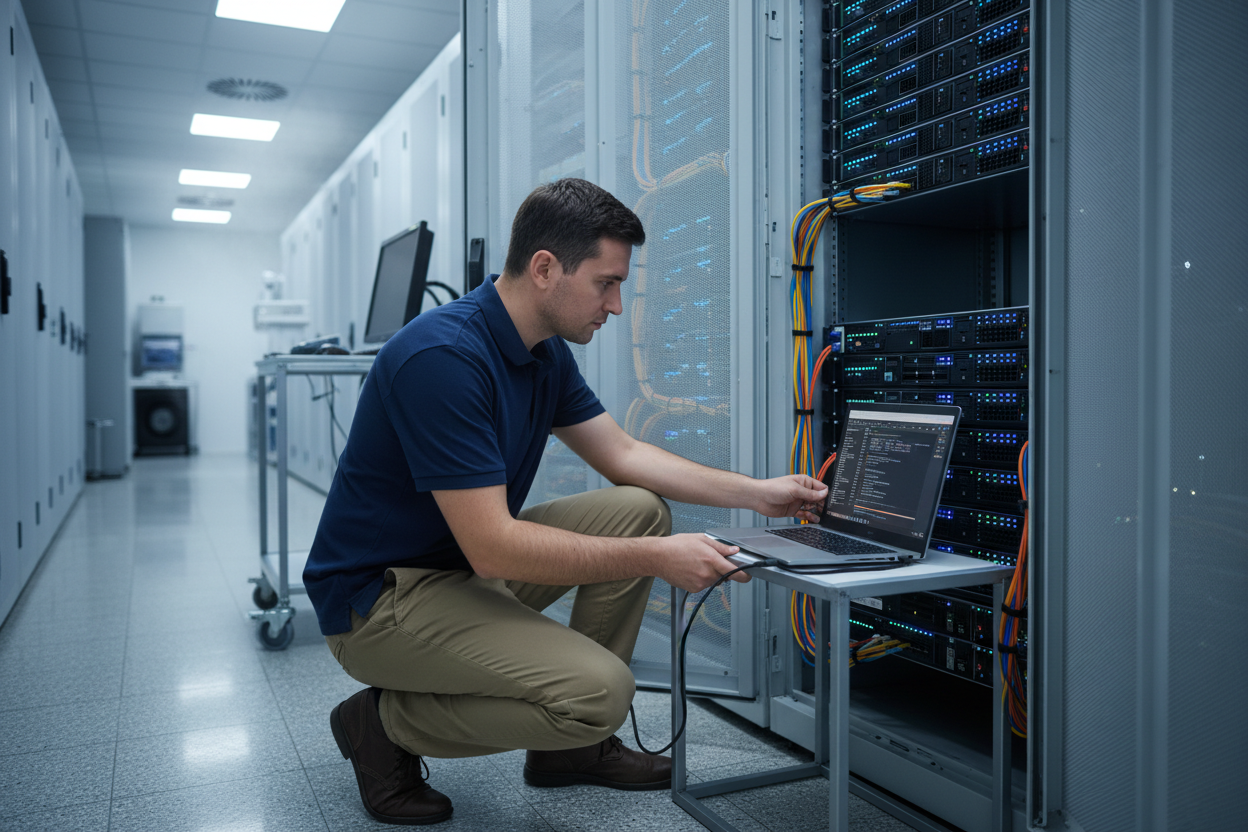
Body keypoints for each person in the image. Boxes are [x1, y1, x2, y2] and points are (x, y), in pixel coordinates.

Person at [303, 178, 828, 825]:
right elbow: (493, 545)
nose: (615, 304)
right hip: (379, 601)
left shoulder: (542, 353)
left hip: (456, 573)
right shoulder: (441, 357)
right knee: (601, 693)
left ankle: (568, 753)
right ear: (546, 268)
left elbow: (625, 456)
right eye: (606, 283)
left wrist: (760, 495)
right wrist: (658, 559)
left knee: (638, 505)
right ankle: (381, 724)